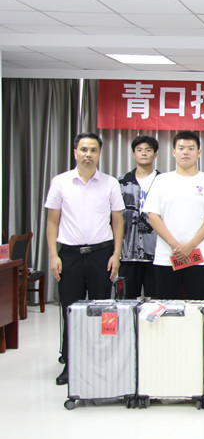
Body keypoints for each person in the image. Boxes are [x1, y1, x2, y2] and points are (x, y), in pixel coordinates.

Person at [45, 132, 124, 385]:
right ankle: (71, 363)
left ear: (99, 154)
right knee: (70, 311)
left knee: (104, 311)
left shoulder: (110, 183)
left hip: (102, 255)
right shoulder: (61, 182)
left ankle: (102, 362)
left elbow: (118, 221)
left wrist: (116, 255)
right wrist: (53, 255)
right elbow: (52, 221)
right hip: (69, 255)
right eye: (83, 149)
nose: (88, 154)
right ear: (75, 153)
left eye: (93, 150)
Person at [143, 130, 204, 300]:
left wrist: (190, 246)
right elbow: (153, 216)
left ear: (199, 152)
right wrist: (175, 245)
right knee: (166, 307)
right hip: (167, 256)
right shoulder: (162, 180)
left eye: (191, 148)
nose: (185, 152)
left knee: (197, 308)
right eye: (181, 148)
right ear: (174, 152)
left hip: (197, 257)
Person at [118, 135, 160, 299]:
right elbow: (114, 217)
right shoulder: (122, 182)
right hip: (127, 252)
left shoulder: (164, 181)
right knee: (126, 300)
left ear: (155, 154)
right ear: (134, 154)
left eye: (148, 150)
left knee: (158, 300)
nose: (143, 153)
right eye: (139, 150)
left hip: (157, 252)